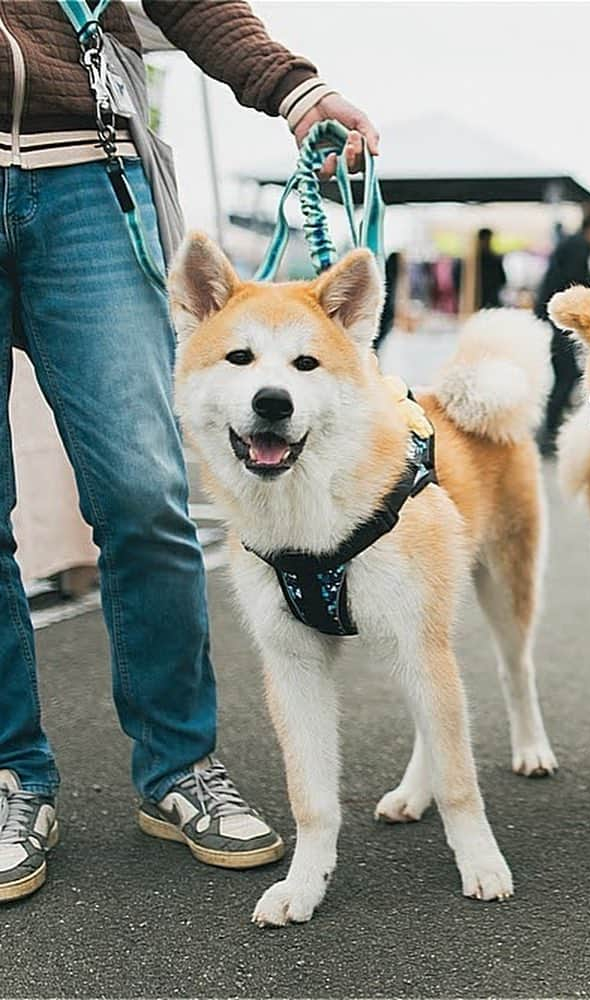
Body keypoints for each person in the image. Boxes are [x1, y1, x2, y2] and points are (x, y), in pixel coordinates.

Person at [0, 0, 380, 903]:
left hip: (85, 171)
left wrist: (294, 87)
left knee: (144, 494)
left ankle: (178, 767)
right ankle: (12, 774)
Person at [534, 202, 590, 455]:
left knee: (564, 374)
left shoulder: (573, 243)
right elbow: (576, 282)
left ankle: (550, 428)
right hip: (560, 318)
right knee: (566, 374)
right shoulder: (579, 246)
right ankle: (549, 432)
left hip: (554, 316)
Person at [475, 228, 507, 309]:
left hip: (491, 300)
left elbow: (502, 280)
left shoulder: (495, 260)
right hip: (477, 300)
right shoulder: (471, 262)